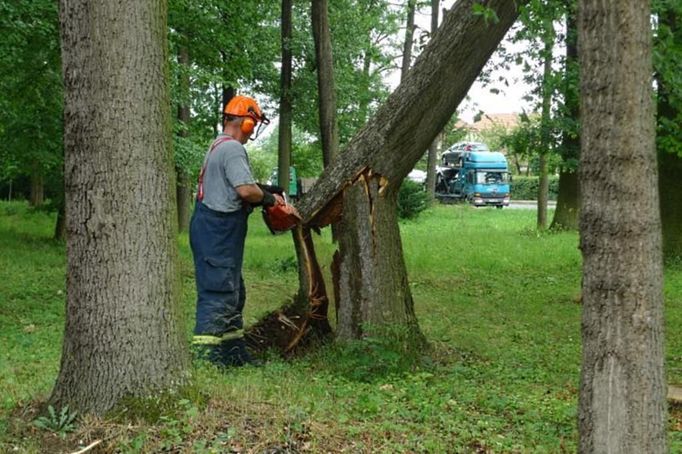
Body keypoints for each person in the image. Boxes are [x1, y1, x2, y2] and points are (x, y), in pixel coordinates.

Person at [190, 95, 281, 367]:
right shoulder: (232, 149)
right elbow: (244, 189)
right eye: (253, 124)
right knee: (218, 293)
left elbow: (239, 185)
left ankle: (233, 353)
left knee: (233, 293)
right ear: (246, 124)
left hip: (217, 230)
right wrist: (269, 199)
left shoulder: (219, 146)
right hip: (217, 230)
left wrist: (263, 189)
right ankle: (207, 359)